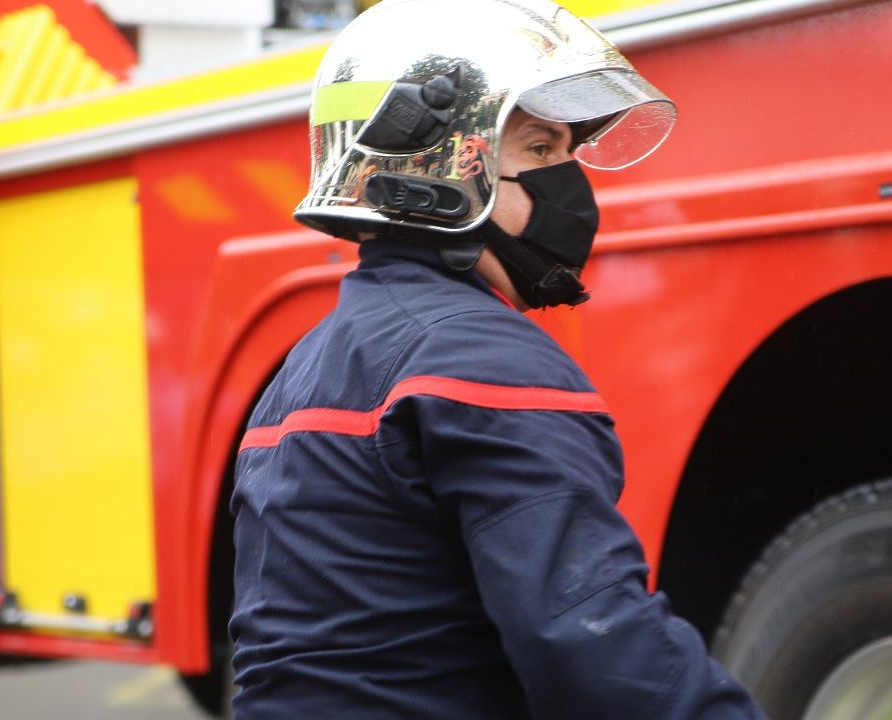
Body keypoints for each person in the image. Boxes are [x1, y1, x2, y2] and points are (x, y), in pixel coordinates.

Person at [228, 0, 766, 717]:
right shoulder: (480, 360)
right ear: (439, 166)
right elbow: (591, 639)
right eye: (541, 151)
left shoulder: (303, 369)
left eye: (570, 152)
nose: (572, 186)